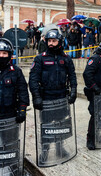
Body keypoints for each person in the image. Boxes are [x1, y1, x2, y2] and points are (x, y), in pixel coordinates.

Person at [29, 29, 77, 157]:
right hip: (46, 98)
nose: (51, 43)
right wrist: (36, 97)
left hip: (62, 97)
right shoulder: (40, 58)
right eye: (49, 41)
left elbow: (72, 76)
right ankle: (44, 151)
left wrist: (74, 92)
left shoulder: (66, 58)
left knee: (61, 124)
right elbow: (33, 79)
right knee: (47, 126)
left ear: (59, 42)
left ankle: (60, 149)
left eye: (54, 41)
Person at [0, 38, 29, 122]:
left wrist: (22, 109)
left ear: (9, 55)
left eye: (4, 53)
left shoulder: (16, 71)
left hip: (10, 114)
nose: (1, 56)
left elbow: (22, 91)